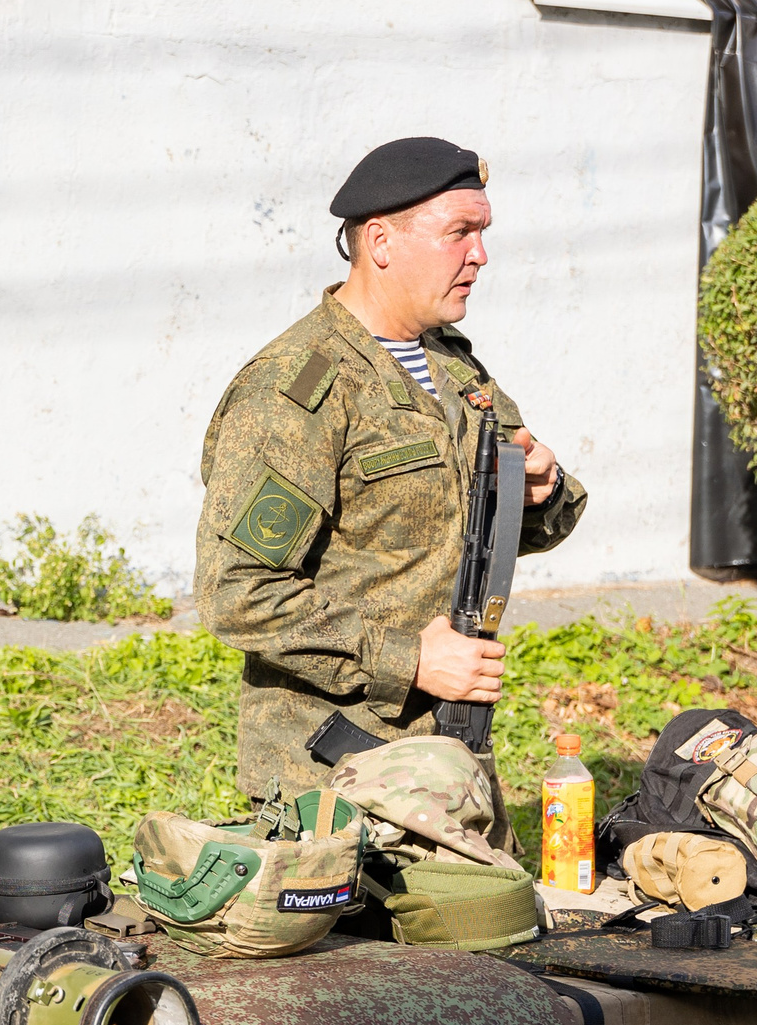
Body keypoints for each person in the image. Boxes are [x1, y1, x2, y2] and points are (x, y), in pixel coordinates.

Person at [195, 137, 589, 813]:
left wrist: (539, 490)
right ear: (380, 242)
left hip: (448, 765)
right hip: (335, 784)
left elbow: (482, 525)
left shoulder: (454, 369)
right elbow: (236, 589)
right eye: (458, 233)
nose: (480, 255)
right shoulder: (300, 389)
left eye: (483, 232)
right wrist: (407, 658)